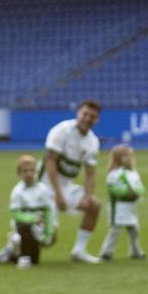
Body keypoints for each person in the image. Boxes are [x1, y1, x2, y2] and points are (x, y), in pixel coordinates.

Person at [41, 100, 103, 263]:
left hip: (66, 187)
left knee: (94, 205)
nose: (87, 118)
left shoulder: (92, 142)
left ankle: (79, 251)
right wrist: (57, 194)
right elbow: (50, 162)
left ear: (96, 120)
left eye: (92, 116)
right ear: (78, 113)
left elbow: (90, 174)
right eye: (85, 114)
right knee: (48, 239)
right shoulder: (61, 131)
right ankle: (13, 244)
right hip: (45, 188)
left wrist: (87, 197)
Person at [0, 154, 56, 268]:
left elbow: (48, 211)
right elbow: (15, 214)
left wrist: (48, 232)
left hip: (39, 229)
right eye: (25, 171)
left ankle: (9, 254)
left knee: (35, 261)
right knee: (24, 226)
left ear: (36, 171)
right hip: (23, 229)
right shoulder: (17, 191)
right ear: (19, 173)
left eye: (32, 170)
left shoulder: (43, 189)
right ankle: (23, 256)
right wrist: (32, 219)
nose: (29, 174)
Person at [98, 144, 146, 261]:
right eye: (125, 156)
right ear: (117, 158)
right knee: (115, 230)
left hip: (130, 207)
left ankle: (135, 250)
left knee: (134, 229)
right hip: (118, 207)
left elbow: (140, 186)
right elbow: (112, 188)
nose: (128, 159)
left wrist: (137, 192)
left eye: (130, 156)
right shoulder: (114, 174)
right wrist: (125, 192)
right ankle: (106, 252)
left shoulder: (133, 173)